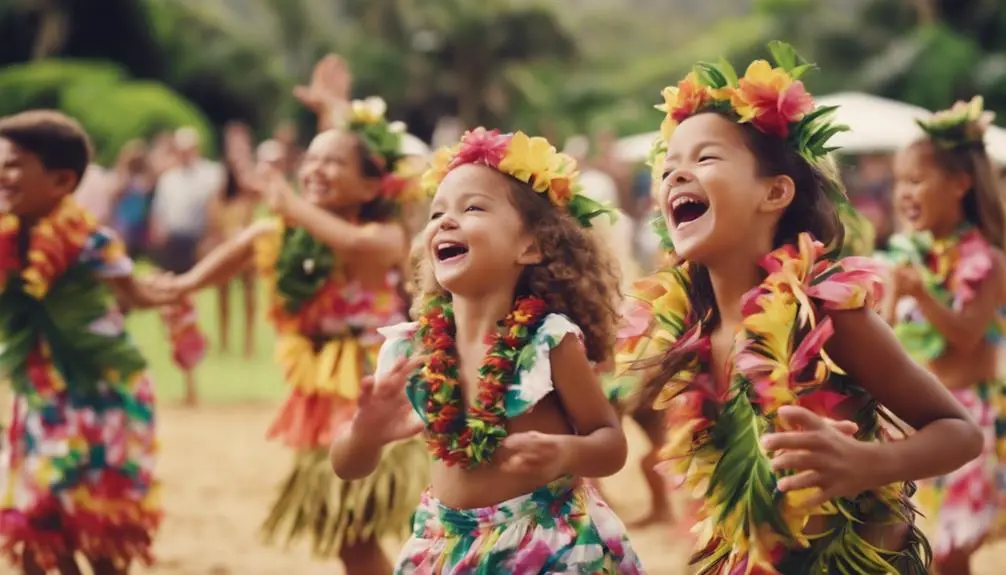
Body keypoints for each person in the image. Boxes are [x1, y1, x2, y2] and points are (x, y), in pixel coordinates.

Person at [614, 42, 984, 573]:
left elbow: (960, 431)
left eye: (706, 157)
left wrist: (869, 463)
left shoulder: (825, 310)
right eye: (668, 166)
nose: (675, 174)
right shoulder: (690, 330)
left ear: (775, 193)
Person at [330, 128, 644, 573]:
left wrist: (565, 453)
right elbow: (347, 466)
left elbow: (611, 443)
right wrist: (366, 434)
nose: (445, 221)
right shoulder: (411, 348)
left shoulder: (548, 342)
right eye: (436, 212)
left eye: (473, 207)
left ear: (531, 246)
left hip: (548, 548)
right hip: (446, 547)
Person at [159, 70, 428, 572]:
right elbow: (244, 246)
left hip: (377, 383)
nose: (317, 169)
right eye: (313, 160)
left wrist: (294, 204)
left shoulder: (385, 233)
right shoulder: (291, 229)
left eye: (334, 163)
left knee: (387, 522)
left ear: (373, 184)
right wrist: (184, 285)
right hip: (322, 390)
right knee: (349, 531)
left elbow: (351, 245)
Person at [0, 110, 179, 574]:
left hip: (104, 399)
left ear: (60, 181)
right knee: (38, 532)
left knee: (101, 534)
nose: (1, 171)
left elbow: (134, 293)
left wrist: (169, 291)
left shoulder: (89, 240)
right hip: (42, 396)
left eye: (15, 163)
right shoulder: (5, 236)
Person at [884, 96, 1006, 575]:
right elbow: (894, 339)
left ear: (959, 184)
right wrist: (897, 295)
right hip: (923, 419)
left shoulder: (989, 261)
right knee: (931, 548)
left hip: (970, 417)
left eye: (915, 180)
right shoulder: (914, 256)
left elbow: (968, 335)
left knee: (952, 551)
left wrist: (924, 294)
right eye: (899, 183)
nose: (904, 194)